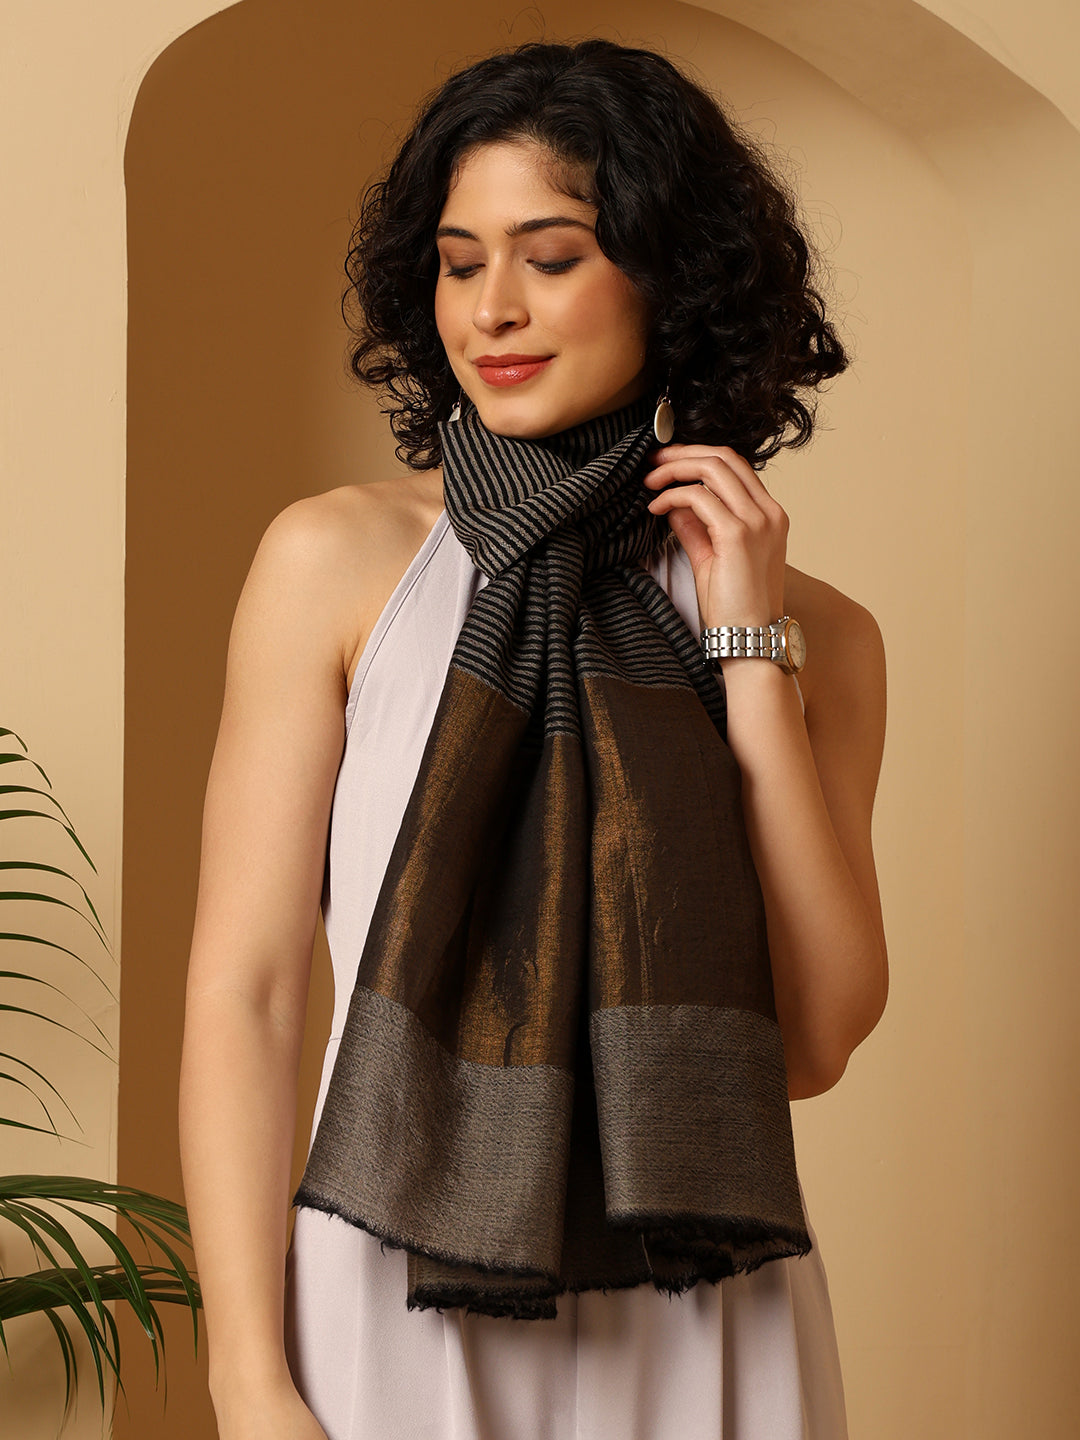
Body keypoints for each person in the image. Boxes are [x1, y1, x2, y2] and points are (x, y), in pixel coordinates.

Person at [178, 38, 888, 1440]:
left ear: (671, 279)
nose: (491, 309)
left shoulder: (821, 633)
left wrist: (746, 648)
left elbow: (816, 1036)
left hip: (705, 1292)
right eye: (459, 264)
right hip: (393, 1281)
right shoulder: (335, 563)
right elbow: (248, 993)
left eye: (551, 258)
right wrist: (246, 1377)